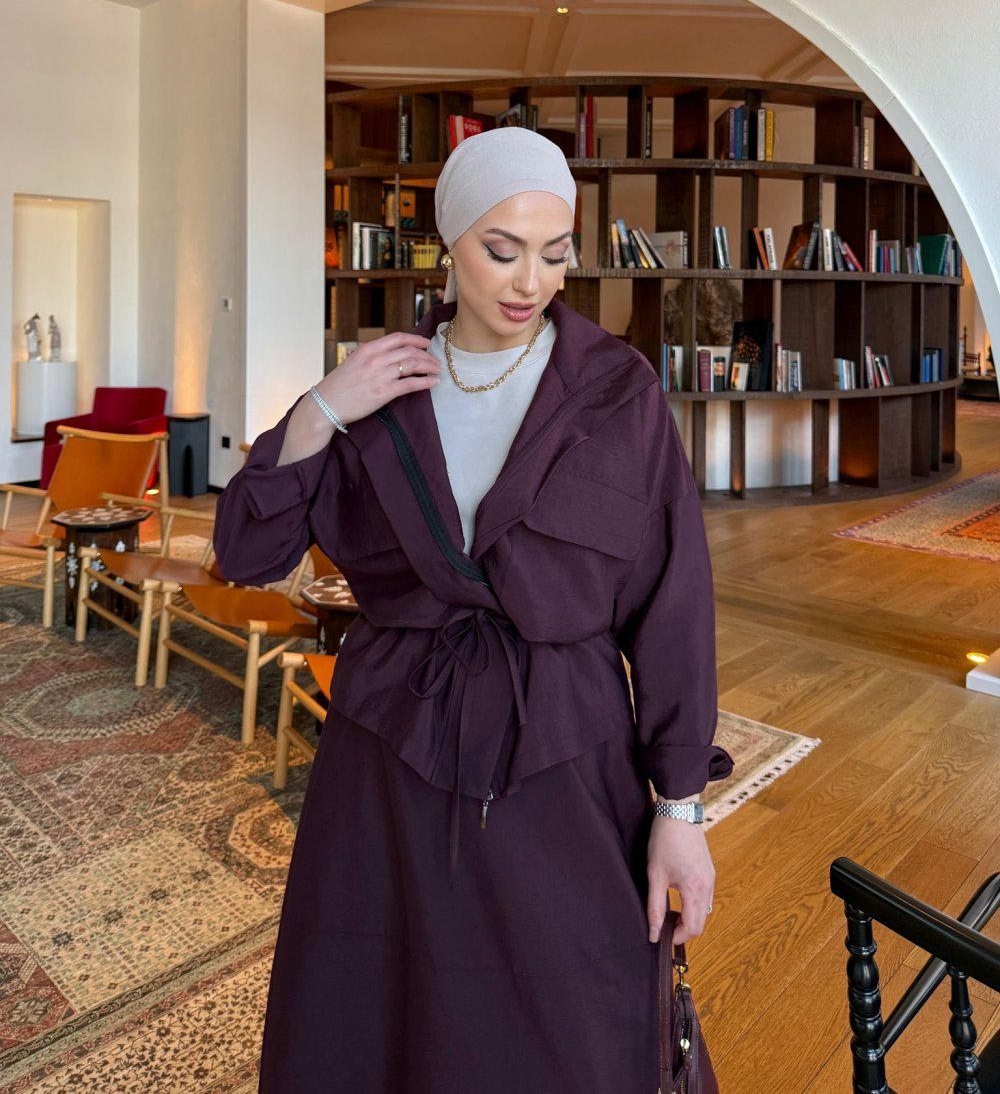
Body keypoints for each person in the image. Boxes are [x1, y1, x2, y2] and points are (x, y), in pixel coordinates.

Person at [213, 126, 734, 1094]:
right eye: (501, 249)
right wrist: (320, 408)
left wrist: (679, 809)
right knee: (380, 1011)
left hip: (567, 752)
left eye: (555, 252)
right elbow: (247, 552)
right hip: (389, 757)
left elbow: (673, 605)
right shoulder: (375, 390)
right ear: (449, 242)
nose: (530, 280)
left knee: (581, 1011)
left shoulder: (616, 393)